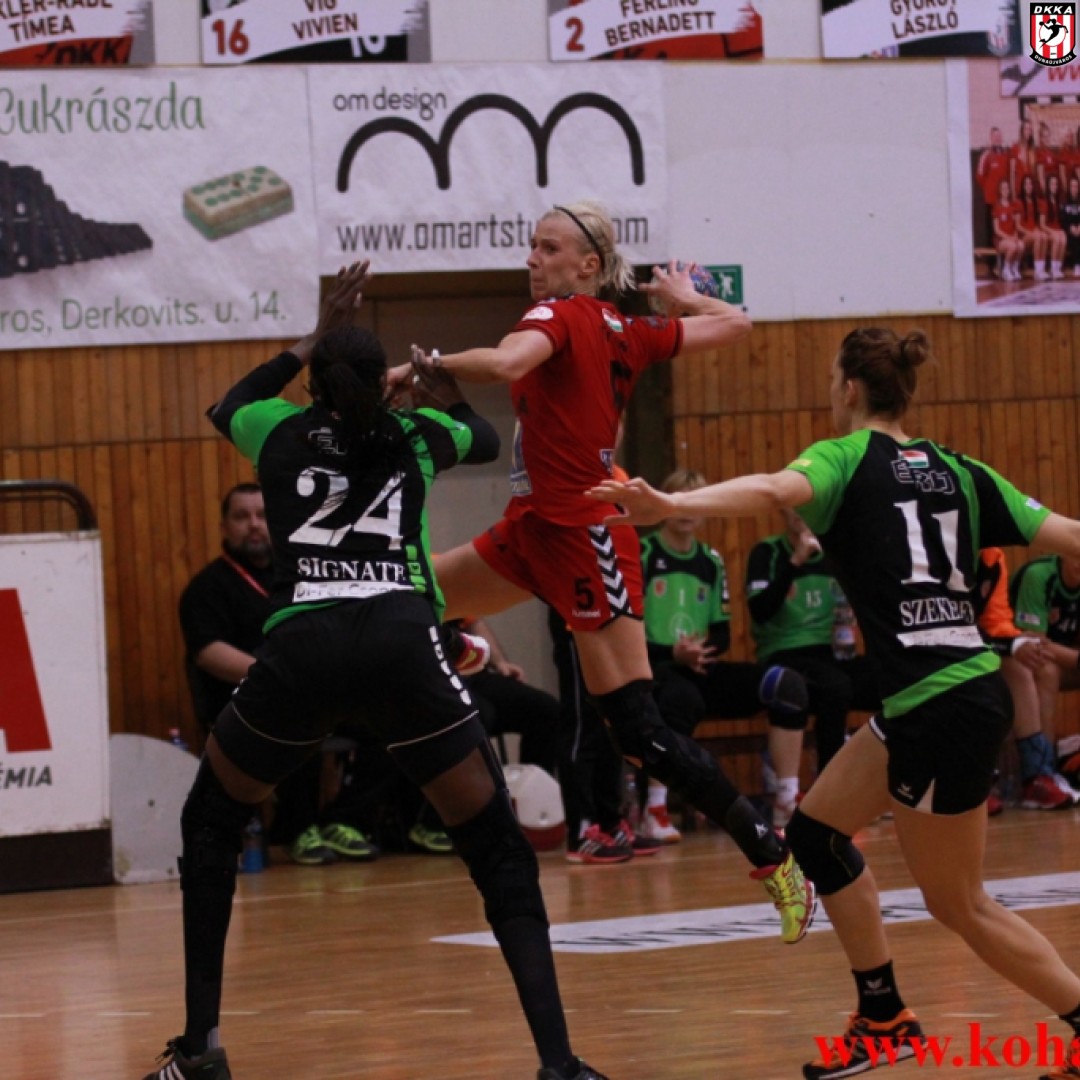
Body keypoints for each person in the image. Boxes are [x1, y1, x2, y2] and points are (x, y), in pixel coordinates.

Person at [144, 261, 608, 1080]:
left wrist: (312, 337)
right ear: (380, 386)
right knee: (495, 850)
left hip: (303, 650)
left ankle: (201, 1049)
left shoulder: (277, 431)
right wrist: (440, 391)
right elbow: (486, 439)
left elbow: (229, 402)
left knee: (211, 821)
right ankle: (559, 1064)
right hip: (400, 643)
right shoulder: (416, 435)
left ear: (315, 386)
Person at [588, 326, 1080, 1080]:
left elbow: (770, 491)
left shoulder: (845, 458)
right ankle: (882, 1017)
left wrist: (670, 502)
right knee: (815, 836)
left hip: (939, 704)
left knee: (961, 904)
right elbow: (1070, 533)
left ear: (850, 387)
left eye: (829, 379)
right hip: (943, 695)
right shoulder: (962, 470)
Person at [404, 200, 815, 945]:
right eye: (532, 245)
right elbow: (735, 324)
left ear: (587, 265)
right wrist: (688, 300)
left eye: (547, 247)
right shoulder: (627, 328)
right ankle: (462, 648)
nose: (532, 258)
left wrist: (422, 367)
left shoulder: (560, 315)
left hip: (587, 535)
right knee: (406, 597)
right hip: (532, 529)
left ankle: (772, 854)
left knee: (640, 735)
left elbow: (505, 365)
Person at [177, 483, 377, 866]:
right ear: (224, 527)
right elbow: (208, 653)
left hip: (315, 690)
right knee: (296, 712)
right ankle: (298, 829)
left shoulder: (301, 578)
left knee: (390, 716)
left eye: (262, 515)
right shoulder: (207, 588)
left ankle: (346, 821)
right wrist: (278, 676)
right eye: (242, 516)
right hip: (244, 700)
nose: (254, 524)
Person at [639, 468, 810, 838]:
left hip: (699, 667)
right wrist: (673, 653)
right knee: (679, 701)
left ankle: (786, 802)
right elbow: (628, 628)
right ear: (664, 503)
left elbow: (722, 633)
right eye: (678, 499)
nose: (686, 511)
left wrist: (699, 653)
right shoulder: (645, 554)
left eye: (693, 501)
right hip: (655, 666)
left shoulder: (711, 560)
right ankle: (654, 809)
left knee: (786, 685)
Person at [746, 508, 881, 825]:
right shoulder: (767, 552)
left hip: (832, 651)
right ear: (782, 510)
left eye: (808, 504)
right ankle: (831, 794)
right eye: (794, 505)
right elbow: (761, 611)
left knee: (891, 681)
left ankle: (889, 785)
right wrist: (796, 561)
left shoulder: (837, 554)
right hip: (785, 651)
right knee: (835, 687)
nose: (801, 512)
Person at [975, 548, 1075, 811]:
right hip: (941, 651)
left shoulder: (993, 557)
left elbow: (997, 622)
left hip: (985, 644)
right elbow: (1037, 642)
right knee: (1041, 669)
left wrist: (1014, 643)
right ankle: (971, 783)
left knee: (1018, 663)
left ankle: (1038, 777)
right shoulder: (1040, 575)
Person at [1010, 550, 1080, 793]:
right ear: (1064, 551)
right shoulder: (1039, 575)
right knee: (1047, 670)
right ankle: (1044, 772)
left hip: (1060, 659)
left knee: (1051, 668)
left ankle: (1072, 756)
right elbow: (1033, 644)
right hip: (1010, 658)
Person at [990, 177, 1023, 282]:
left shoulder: (1012, 206)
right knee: (1013, 246)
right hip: (1000, 239)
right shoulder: (997, 206)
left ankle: (1014, 268)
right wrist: (1009, 238)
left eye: (1007, 188)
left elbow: (1015, 226)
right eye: (1003, 188)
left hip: (1011, 236)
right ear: (1000, 191)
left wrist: (1015, 235)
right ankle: (1006, 269)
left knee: (1021, 245)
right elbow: (996, 230)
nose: (1005, 190)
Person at [1060, 175, 1080, 277]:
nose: (1074, 188)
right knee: (1073, 239)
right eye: (1072, 186)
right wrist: (1070, 228)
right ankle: (1077, 265)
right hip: (1067, 229)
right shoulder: (1064, 202)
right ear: (1069, 187)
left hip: (1078, 228)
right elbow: (1063, 219)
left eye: (1076, 186)